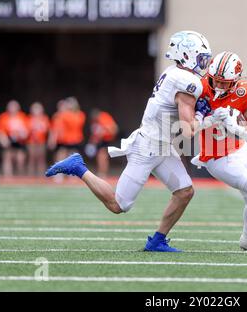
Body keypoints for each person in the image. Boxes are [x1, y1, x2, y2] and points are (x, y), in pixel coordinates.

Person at [45, 31, 212, 252]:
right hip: (148, 147)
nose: (203, 64)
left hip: (162, 145)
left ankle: (157, 240)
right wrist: (206, 117)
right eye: (201, 58)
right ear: (186, 56)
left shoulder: (174, 72)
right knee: (118, 205)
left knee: (185, 191)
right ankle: (78, 168)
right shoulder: (185, 81)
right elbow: (189, 131)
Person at [191, 51, 247, 253]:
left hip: (241, 149)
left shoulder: (244, 92)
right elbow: (186, 126)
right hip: (216, 157)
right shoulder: (198, 88)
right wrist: (209, 118)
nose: (219, 86)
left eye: (225, 83)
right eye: (216, 81)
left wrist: (234, 129)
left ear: (236, 80)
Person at [0, 100, 29, 177]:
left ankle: (20, 177)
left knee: (20, 159)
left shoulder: (22, 116)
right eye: (11, 106)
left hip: (20, 140)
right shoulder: (3, 117)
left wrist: (23, 135)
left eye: (14, 106)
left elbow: (27, 130)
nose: (12, 108)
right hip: (8, 138)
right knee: (7, 157)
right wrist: (3, 140)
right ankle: (8, 177)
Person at [86, 109, 118, 177]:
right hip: (102, 140)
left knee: (102, 156)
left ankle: (102, 173)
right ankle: (102, 172)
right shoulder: (97, 122)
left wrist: (100, 135)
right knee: (101, 156)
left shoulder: (103, 118)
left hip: (106, 139)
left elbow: (112, 129)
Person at [27, 102, 50, 176]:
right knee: (32, 158)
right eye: (35, 108)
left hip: (41, 141)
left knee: (41, 158)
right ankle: (31, 176)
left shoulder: (44, 118)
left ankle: (41, 176)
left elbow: (47, 129)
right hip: (31, 142)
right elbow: (26, 129)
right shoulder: (29, 118)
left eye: (38, 108)